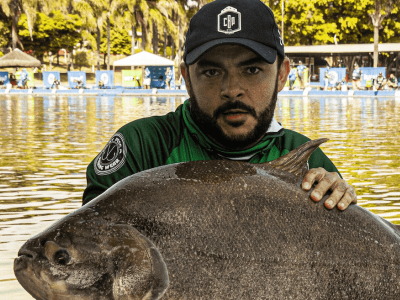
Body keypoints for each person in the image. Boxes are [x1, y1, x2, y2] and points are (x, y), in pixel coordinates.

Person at [83, 0, 357, 213]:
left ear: (282, 74)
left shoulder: (309, 162)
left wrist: (345, 210)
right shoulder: (142, 147)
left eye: (251, 69)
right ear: (187, 79)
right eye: (212, 72)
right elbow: (82, 249)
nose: (232, 89)